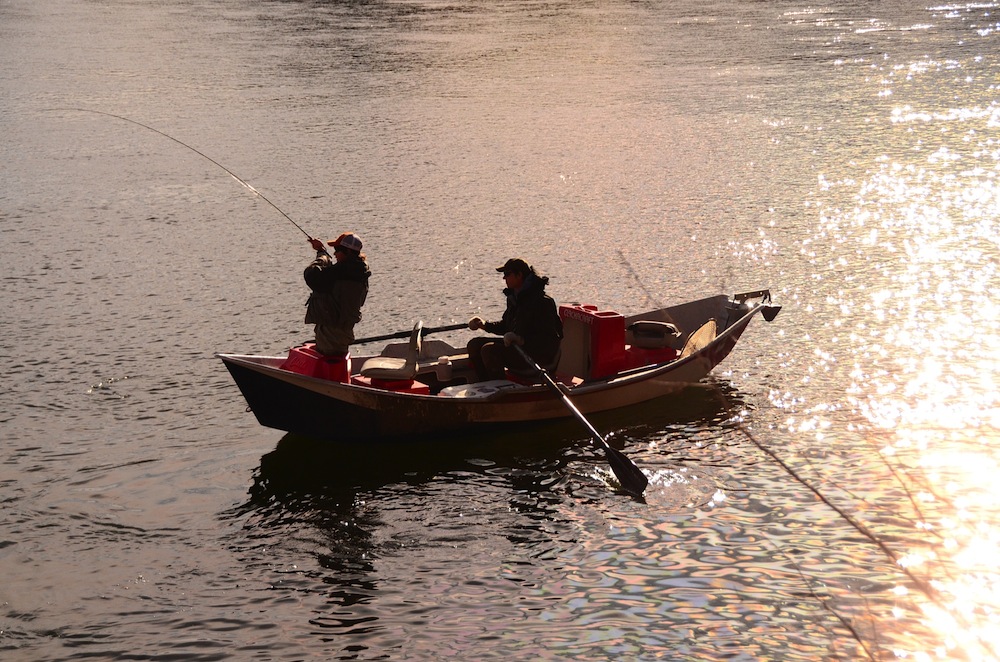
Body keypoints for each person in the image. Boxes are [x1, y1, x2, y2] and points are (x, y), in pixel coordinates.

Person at [467, 258, 563, 382]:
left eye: (507, 274)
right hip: (518, 349)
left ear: (519, 275)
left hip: (538, 356)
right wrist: (484, 325)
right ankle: (485, 385)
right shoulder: (513, 298)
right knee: (474, 344)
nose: (504, 278)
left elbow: (549, 338)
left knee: (489, 350)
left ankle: (500, 391)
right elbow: (506, 326)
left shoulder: (542, 302)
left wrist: (521, 340)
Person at [303, 232, 371, 356]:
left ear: (348, 252)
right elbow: (333, 273)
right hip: (343, 332)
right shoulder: (359, 271)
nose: (334, 253)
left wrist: (322, 255)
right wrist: (321, 250)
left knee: (331, 363)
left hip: (331, 336)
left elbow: (311, 275)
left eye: (337, 249)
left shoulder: (341, 274)